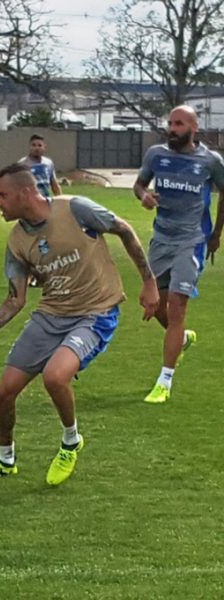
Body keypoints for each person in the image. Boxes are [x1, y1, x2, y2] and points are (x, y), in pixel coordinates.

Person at [0, 163, 159, 486]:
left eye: (2, 195)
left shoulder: (76, 209)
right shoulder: (17, 241)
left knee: (55, 376)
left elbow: (124, 229)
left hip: (95, 313)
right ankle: (5, 461)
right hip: (51, 315)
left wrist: (149, 282)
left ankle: (70, 441)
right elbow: (15, 299)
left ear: (25, 192)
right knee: (4, 392)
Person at [133, 105, 224, 404]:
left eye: (179, 124)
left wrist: (216, 235)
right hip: (161, 239)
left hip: (192, 241)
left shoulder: (210, 161)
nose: (172, 129)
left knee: (177, 306)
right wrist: (144, 196)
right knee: (156, 305)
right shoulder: (156, 155)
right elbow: (139, 184)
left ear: (194, 128)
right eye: (170, 123)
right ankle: (182, 339)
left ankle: (164, 380)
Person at [18, 134, 62, 198]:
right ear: (29, 146)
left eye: (40, 145)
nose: (37, 148)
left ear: (44, 147)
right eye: (33, 145)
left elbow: (54, 185)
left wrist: (60, 201)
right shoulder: (22, 164)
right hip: (29, 202)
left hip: (45, 201)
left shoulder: (48, 163)